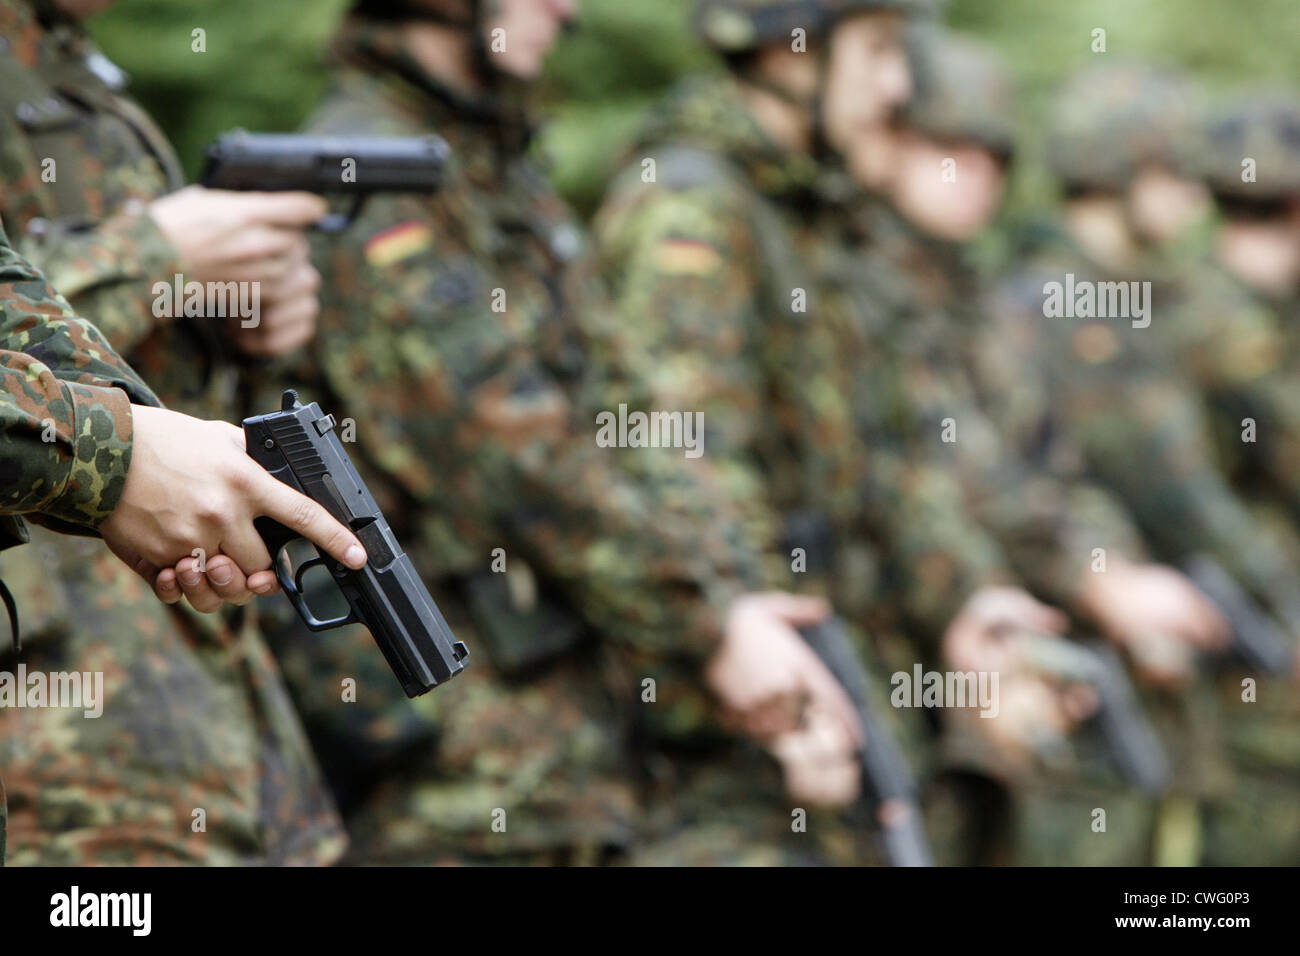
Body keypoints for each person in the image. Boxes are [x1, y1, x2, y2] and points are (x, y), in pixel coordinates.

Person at [262, 0, 867, 866]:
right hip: (463, 771)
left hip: (581, 738)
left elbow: (635, 417)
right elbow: (511, 453)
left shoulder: (497, 174)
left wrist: (732, 594)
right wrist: (710, 625)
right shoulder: (365, 174)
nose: (566, 9)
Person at [0, 0, 370, 864]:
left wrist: (227, 310)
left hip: (191, 642)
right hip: (60, 684)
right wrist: (161, 256)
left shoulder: (79, 73)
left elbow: (32, 317)